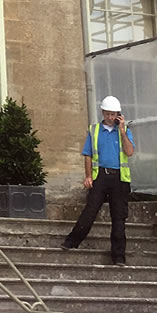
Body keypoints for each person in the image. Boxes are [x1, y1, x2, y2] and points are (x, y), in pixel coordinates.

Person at [61, 94, 135, 265]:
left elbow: (129, 152)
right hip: (100, 176)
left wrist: (122, 131)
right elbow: (87, 155)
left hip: (119, 178)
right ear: (102, 113)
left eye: (113, 114)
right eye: (107, 114)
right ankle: (72, 242)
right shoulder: (94, 130)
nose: (110, 117)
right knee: (90, 210)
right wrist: (88, 176)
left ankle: (118, 256)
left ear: (119, 115)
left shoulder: (125, 131)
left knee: (118, 218)